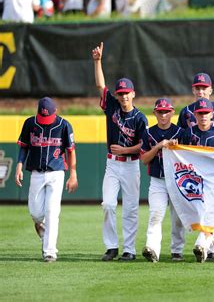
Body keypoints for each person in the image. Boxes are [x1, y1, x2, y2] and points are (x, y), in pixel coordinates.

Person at [92, 42, 148, 262]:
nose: (124, 96)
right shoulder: (112, 107)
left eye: (127, 93)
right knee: (107, 204)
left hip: (131, 163)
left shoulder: (140, 118)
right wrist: (97, 61)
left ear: (133, 94)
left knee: (131, 209)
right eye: (121, 93)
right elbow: (100, 86)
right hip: (113, 165)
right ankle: (112, 246)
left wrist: (126, 149)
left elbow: (144, 146)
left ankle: (130, 250)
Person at [15, 97, 78, 262]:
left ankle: (50, 251)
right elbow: (23, 147)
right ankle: (44, 233)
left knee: (52, 212)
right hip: (36, 172)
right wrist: (19, 166)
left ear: (55, 112)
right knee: (36, 214)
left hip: (56, 172)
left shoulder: (64, 125)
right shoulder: (30, 123)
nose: (45, 120)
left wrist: (73, 173)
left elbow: (71, 151)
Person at [181, 97, 214, 263]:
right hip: (194, 181)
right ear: (195, 114)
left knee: (207, 213)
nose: (203, 116)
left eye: (206, 112)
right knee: (200, 215)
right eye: (200, 113)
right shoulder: (188, 134)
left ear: (212, 113)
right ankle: (213, 246)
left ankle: (201, 243)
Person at [140, 98, 185, 263]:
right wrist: (158, 146)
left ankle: (177, 250)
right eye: (160, 111)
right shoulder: (149, 133)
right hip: (157, 180)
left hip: (176, 180)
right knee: (155, 215)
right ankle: (152, 249)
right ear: (155, 113)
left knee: (178, 217)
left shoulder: (180, 132)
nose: (163, 114)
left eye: (166, 111)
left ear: (172, 112)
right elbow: (144, 159)